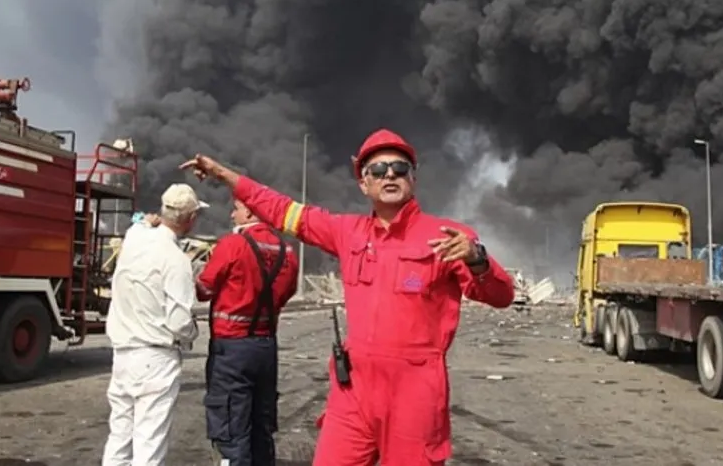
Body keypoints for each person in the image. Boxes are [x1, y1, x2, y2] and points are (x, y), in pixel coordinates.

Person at [180, 129, 515, 466]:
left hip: (414, 395)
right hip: (353, 392)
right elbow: (284, 210)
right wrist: (223, 174)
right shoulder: (347, 232)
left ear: (413, 177)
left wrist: (477, 259)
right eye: (378, 170)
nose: (389, 175)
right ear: (363, 184)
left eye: (399, 168)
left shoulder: (449, 237)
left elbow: (501, 296)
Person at [102, 183, 208, 466]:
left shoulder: (134, 237)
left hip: (122, 354)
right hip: (156, 358)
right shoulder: (176, 260)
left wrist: (146, 222)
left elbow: (139, 223)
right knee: (149, 445)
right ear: (191, 218)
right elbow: (180, 323)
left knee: (119, 439)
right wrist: (193, 331)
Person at [195, 200, 300, 466]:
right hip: (265, 346)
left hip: (231, 348)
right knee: (261, 426)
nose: (232, 214)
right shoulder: (287, 251)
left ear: (250, 212)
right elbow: (287, 291)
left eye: (236, 208)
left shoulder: (232, 244)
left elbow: (204, 289)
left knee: (232, 428)